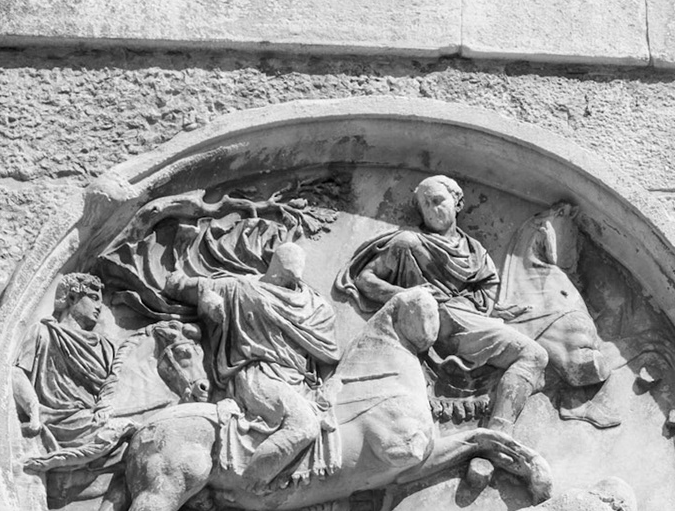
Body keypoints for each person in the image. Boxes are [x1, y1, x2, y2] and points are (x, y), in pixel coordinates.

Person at [337, 175, 548, 486]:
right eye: (425, 205)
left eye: (438, 201)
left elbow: (487, 290)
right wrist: (407, 295)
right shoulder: (408, 243)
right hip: (436, 321)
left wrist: (484, 307)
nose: (432, 210)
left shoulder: (475, 251)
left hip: (468, 317)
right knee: (534, 354)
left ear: (457, 203)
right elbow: (365, 280)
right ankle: (496, 439)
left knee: (535, 354)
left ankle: (496, 438)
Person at [164, 240, 341, 490]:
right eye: (284, 275)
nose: (288, 280)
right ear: (274, 268)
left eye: (292, 277)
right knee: (304, 425)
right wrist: (206, 296)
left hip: (302, 381)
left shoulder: (316, 307)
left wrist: (330, 386)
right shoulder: (238, 288)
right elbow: (178, 286)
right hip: (258, 376)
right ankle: (251, 484)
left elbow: (327, 353)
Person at [14, 272, 121, 456]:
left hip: (96, 417)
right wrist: (33, 410)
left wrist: (106, 405)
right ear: (72, 298)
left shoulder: (105, 347)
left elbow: (114, 386)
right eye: (93, 298)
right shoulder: (43, 333)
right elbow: (17, 373)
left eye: (101, 301)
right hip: (59, 421)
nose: (99, 307)